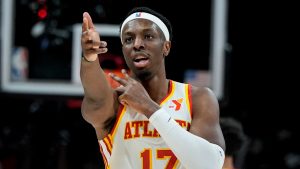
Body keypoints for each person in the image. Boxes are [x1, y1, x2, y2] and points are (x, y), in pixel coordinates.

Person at [80, 6, 225, 169]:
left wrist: (150, 108)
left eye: (148, 36)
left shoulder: (198, 98)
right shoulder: (114, 103)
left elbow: (210, 164)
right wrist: (90, 57)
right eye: (128, 39)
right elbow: (95, 97)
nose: (137, 44)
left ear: (166, 47)